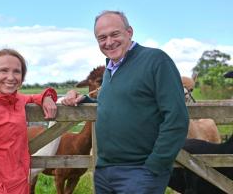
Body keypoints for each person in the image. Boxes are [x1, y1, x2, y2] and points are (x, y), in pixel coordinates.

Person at [61, 11, 189, 194]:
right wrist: (85, 100)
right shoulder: (110, 69)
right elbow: (120, 103)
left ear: (129, 32)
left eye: (115, 34)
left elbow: (177, 117)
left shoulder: (156, 60)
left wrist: (155, 166)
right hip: (105, 171)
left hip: (140, 172)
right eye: (102, 38)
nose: (109, 42)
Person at [0, 48, 57, 194]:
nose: (11, 77)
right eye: (4, 70)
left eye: (16, 72)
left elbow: (31, 98)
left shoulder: (15, 99)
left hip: (19, 184)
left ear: (22, 76)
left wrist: (45, 97)